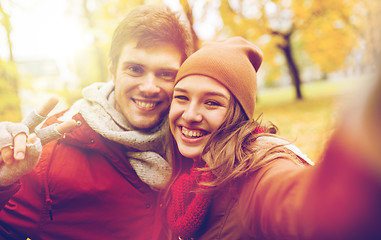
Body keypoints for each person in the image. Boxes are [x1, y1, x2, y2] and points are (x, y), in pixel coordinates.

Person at [0, 5, 193, 239]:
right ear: (112, 70)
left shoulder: (192, 146)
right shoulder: (48, 149)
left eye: (166, 74)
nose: (149, 88)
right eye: (135, 69)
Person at [163, 37, 381, 239]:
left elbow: (302, 205)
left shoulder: (252, 168)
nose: (190, 115)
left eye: (212, 102)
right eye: (181, 97)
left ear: (239, 114)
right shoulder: (192, 168)